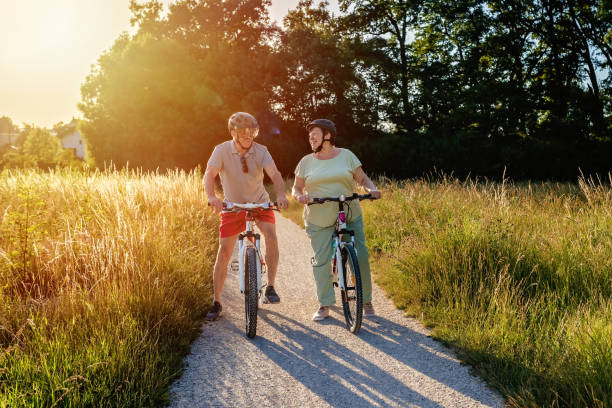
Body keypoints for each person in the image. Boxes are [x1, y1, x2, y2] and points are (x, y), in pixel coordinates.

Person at [292, 119, 382, 321]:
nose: (311, 138)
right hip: (318, 215)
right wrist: (298, 196)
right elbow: (296, 187)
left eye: (314, 134)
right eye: (309, 136)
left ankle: (365, 300)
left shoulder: (347, 156)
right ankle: (324, 304)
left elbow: (363, 179)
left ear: (328, 136)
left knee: (360, 255)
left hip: (348, 210)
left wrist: (371, 189)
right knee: (321, 260)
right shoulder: (306, 161)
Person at [204, 112, 289, 321]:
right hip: (233, 206)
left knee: (271, 236)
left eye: (252, 131)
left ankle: (270, 287)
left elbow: (275, 174)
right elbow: (209, 173)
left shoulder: (261, 151)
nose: (249, 135)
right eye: (244, 132)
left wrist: (280, 194)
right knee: (224, 251)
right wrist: (211, 196)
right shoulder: (222, 150)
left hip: (259, 202)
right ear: (233, 133)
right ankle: (217, 301)